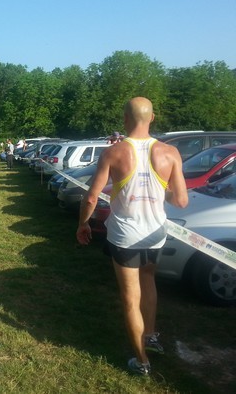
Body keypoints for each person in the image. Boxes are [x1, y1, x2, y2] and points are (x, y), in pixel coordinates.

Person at [76, 97, 188, 376]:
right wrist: (157, 190)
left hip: (125, 236)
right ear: (152, 118)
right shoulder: (170, 152)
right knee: (148, 280)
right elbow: (181, 201)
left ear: (125, 119)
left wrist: (83, 225)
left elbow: (91, 197)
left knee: (130, 298)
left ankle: (142, 361)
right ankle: (150, 337)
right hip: (155, 235)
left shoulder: (113, 153)